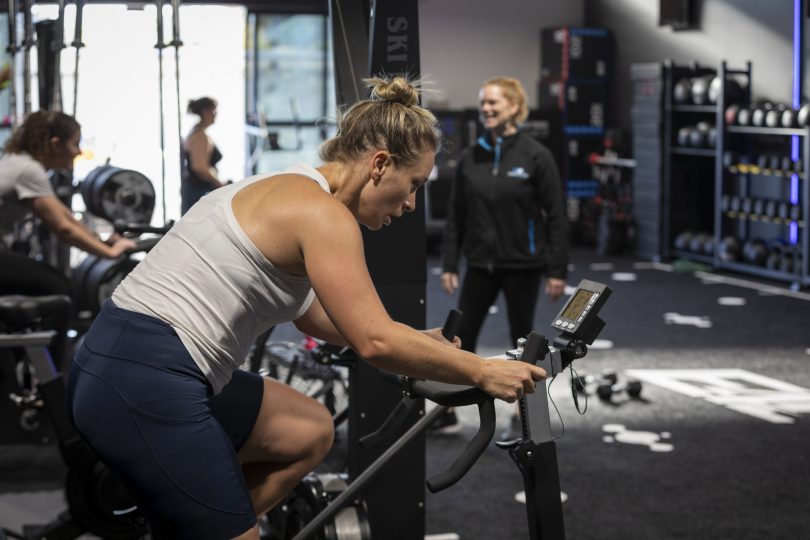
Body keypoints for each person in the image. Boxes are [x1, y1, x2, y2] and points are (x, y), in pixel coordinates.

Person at [64, 76, 548, 540]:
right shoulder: (324, 216)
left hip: (111, 362)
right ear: (379, 164)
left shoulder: (288, 184)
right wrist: (481, 371)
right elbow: (373, 341)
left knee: (307, 430)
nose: (410, 204)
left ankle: (200, 520)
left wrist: (421, 344)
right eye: (414, 183)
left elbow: (315, 315)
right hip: (143, 379)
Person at [437, 77, 569, 437]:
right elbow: (456, 215)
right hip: (480, 263)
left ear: (514, 106)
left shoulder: (536, 156)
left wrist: (558, 269)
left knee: (522, 341)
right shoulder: (471, 156)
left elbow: (556, 215)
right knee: (461, 337)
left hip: (523, 265)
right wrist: (450, 263)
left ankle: (522, 417)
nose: (486, 110)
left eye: (493, 103)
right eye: (483, 104)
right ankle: (446, 411)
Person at [0, 110, 136, 367]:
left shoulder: (20, 162)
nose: (77, 152)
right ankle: (50, 380)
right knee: (58, 288)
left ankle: (24, 374)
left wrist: (103, 241)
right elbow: (63, 228)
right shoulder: (29, 170)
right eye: (74, 144)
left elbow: (68, 219)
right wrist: (109, 253)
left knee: (40, 288)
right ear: (55, 143)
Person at [181, 96, 226, 214]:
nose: (215, 114)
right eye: (214, 111)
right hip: (198, 192)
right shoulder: (200, 136)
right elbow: (200, 167)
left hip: (197, 190)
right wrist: (220, 184)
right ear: (205, 112)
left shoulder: (198, 132)